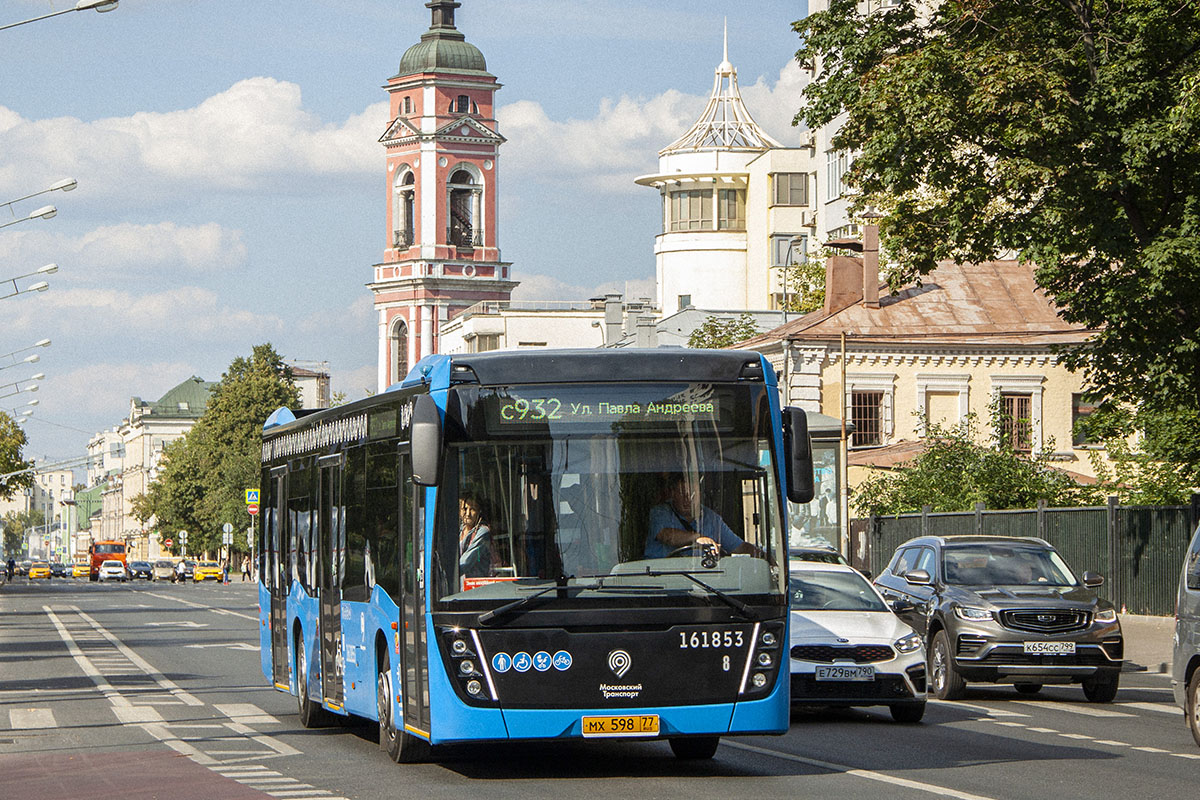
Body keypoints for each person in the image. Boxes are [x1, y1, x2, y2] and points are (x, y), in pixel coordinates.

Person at [645, 473, 757, 559]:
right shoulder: (660, 512)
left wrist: (762, 556)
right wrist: (697, 538)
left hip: (702, 582)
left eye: (693, 493)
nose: (688, 499)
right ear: (673, 493)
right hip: (663, 580)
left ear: (700, 493)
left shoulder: (711, 519)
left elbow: (738, 547)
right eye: (682, 493)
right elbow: (667, 536)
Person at [458, 491, 492, 578]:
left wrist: (448, 574)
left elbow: (466, 562)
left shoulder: (483, 532)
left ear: (479, 511)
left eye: (472, 509)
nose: (468, 514)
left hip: (475, 588)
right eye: (465, 509)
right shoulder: (458, 531)